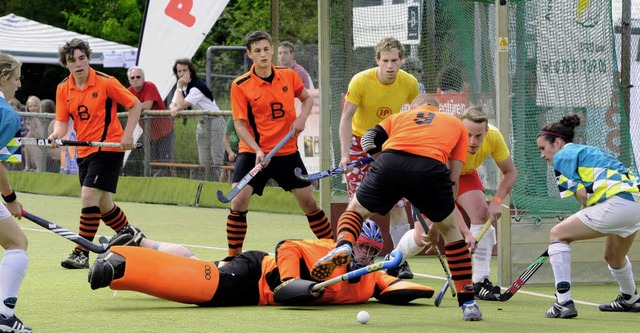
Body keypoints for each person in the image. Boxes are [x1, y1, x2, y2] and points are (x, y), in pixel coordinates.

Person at [312, 95, 484, 321]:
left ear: (415, 107)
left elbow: (368, 139)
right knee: (452, 233)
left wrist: (382, 161)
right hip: (431, 169)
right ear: (437, 108)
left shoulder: (401, 116)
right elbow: (453, 177)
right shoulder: (455, 124)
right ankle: (468, 302)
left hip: (390, 162)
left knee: (355, 211)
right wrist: (439, 221)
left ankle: (344, 245)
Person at [88, 220, 433, 307]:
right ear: (350, 242)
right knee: (207, 285)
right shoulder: (329, 250)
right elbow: (287, 247)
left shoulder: (369, 278)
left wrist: (401, 275)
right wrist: (289, 282)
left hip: (259, 292)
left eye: (371, 252)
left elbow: (401, 288)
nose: (363, 256)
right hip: (258, 273)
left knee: (200, 265)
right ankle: (123, 263)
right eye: (360, 247)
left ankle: (142, 241)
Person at [226, 30, 333, 257]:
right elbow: (240, 125)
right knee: (238, 201)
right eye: (257, 51)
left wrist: (301, 118)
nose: (263, 54)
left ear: (272, 49)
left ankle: (335, 248)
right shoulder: (240, 85)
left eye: (266, 49)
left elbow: (306, 99)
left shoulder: (288, 76)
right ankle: (233, 256)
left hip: (286, 152)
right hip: (254, 152)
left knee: (309, 203)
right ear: (249, 54)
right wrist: (256, 150)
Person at [399, 106, 517, 301]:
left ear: (486, 131)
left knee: (481, 214)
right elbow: (447, 199)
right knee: (424, 237)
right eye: (468, 135)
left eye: (478, 136)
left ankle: (480, 281)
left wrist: (497, 200)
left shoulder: (494, 137)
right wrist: (466, 233)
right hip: (433, 179)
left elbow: (510, 172)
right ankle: (395, 260)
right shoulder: (448, 140)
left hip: (466, 172)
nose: (473, 142)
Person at [48, 38, 145, 269]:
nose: (79, 63)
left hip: (109, 148)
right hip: (84, 151)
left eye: (82, 58)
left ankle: (81, 252)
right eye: (73, 60)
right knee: (103, 206)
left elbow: (135, 105)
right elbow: (62, 124)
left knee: (88, 196)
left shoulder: (106, 82)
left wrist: (128, 134)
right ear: (66, 64)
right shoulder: (63, 88)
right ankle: (130, 235)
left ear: (88, 58)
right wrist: (55, 136)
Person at [536, 114, 640, 319]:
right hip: (635, 202)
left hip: (617, 204)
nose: (542, 155)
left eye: (542, 148)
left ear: (557, 143)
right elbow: (592, 193)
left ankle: (563, 302)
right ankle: (630, 299)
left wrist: (582, 209)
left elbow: (583, 195)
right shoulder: (590, 150)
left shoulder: (562, 156)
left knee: (558, 234)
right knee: (614, 256)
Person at [339, 36, 419, 279]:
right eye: (385, 60)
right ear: (377, 60)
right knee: (357, 205)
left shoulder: (409, 83)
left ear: (401, 60)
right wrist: (344, 155)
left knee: (398, 206)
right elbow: (345, 118)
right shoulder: (361, 81)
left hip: (388, 144)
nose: (390, 66)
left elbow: (416, 117)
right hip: (358, 142)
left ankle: (399, 260)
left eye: (395, 60)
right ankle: (354, 257)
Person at [0, 52, 32, 333]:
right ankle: (3, 316)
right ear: (3, 78)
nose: (19, 85)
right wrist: (10, 199)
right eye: (17, 78)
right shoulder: (7, 114)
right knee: (16, 243)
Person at [169, 58, 225, 181]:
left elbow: (182, 104)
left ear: (191, 71)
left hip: (215, 122)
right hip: (202, 123)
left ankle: (220, 188)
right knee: (204, 161)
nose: (182, 73)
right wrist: (174, 108)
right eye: (179, 71)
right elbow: (173, 104)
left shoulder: (196, 87)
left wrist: (179, 87)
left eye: (185, 70)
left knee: (217, 160)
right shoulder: (183, 88)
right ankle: (207, 187)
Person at [127, 67, 175, 176]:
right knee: (152, 164)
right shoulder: (129, 91)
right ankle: (154, 184)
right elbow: (127, 107)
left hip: (164, 132)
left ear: (143, 78)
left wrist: (134, 106)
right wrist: (137, 107)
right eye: (132, 78)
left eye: (138, 77)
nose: (135, 79)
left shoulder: (149, 86)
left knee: (166, 163)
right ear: (129, 81)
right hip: (149, 135)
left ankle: (169, 185)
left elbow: (147, 106)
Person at [22, 96, 45, 172]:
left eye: (35, 105)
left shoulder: (43, 117)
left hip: (46, 143)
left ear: (39, 106)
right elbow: (30, 135)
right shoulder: (29, 118)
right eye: (30, 106)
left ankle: (39, 169)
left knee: (30, 142)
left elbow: (42, 136)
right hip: (37, 142)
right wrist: (31, 130)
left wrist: (36, 120)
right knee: (27, 140)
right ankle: (27, 166)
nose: (32, 108)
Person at [219, 117, 239, 183]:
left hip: (245, 148)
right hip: (233, 147)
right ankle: (221, 186)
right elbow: (225, 138)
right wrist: (230, 152)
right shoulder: (233, 117)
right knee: (224, 169)